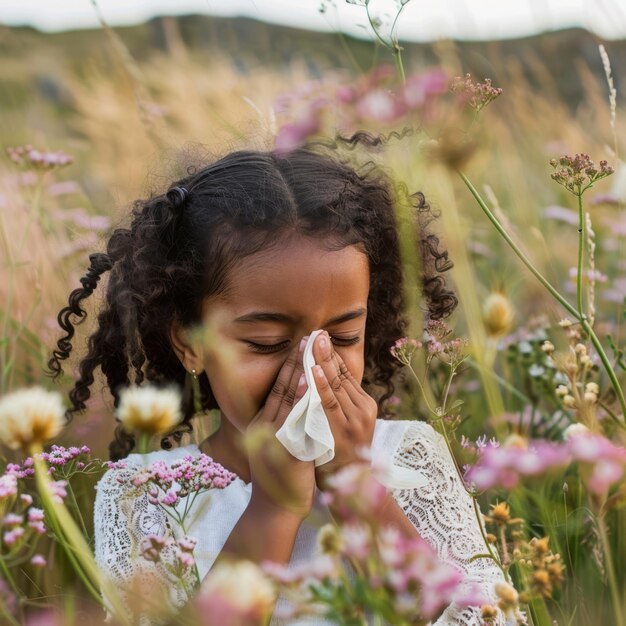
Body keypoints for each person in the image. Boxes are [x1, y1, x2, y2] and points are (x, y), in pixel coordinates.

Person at [48, 137, 506, 625]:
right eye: (266, 343)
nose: (311, 368)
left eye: (344, 335)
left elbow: (490, 618)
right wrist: (273, 509)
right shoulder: (144, 496)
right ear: (191, 344)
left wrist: (358, 491)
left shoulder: (411, 455)